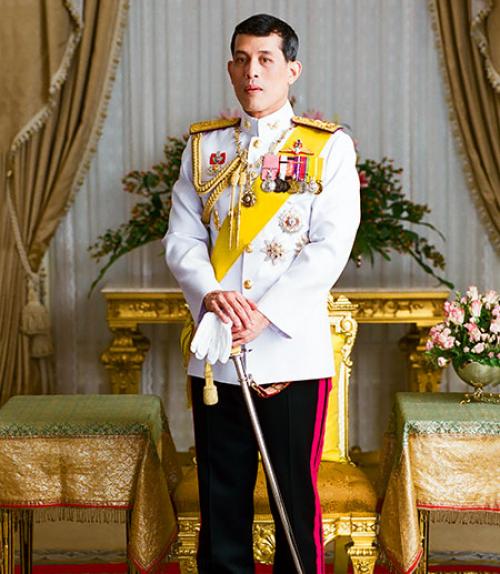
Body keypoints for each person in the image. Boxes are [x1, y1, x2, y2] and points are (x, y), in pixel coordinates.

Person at [163, 13, 360, 574]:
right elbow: (181, 239)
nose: (254, 72)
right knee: (221, 497)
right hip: (219, 352)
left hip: (290, 354)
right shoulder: (204, 151)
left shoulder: (328, 150)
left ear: (291, 70)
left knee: (291, 501)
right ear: (231, 68)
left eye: (267, 60)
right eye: (243, 59)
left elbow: (329, 247)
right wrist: (211, 296)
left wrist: (265, 314)